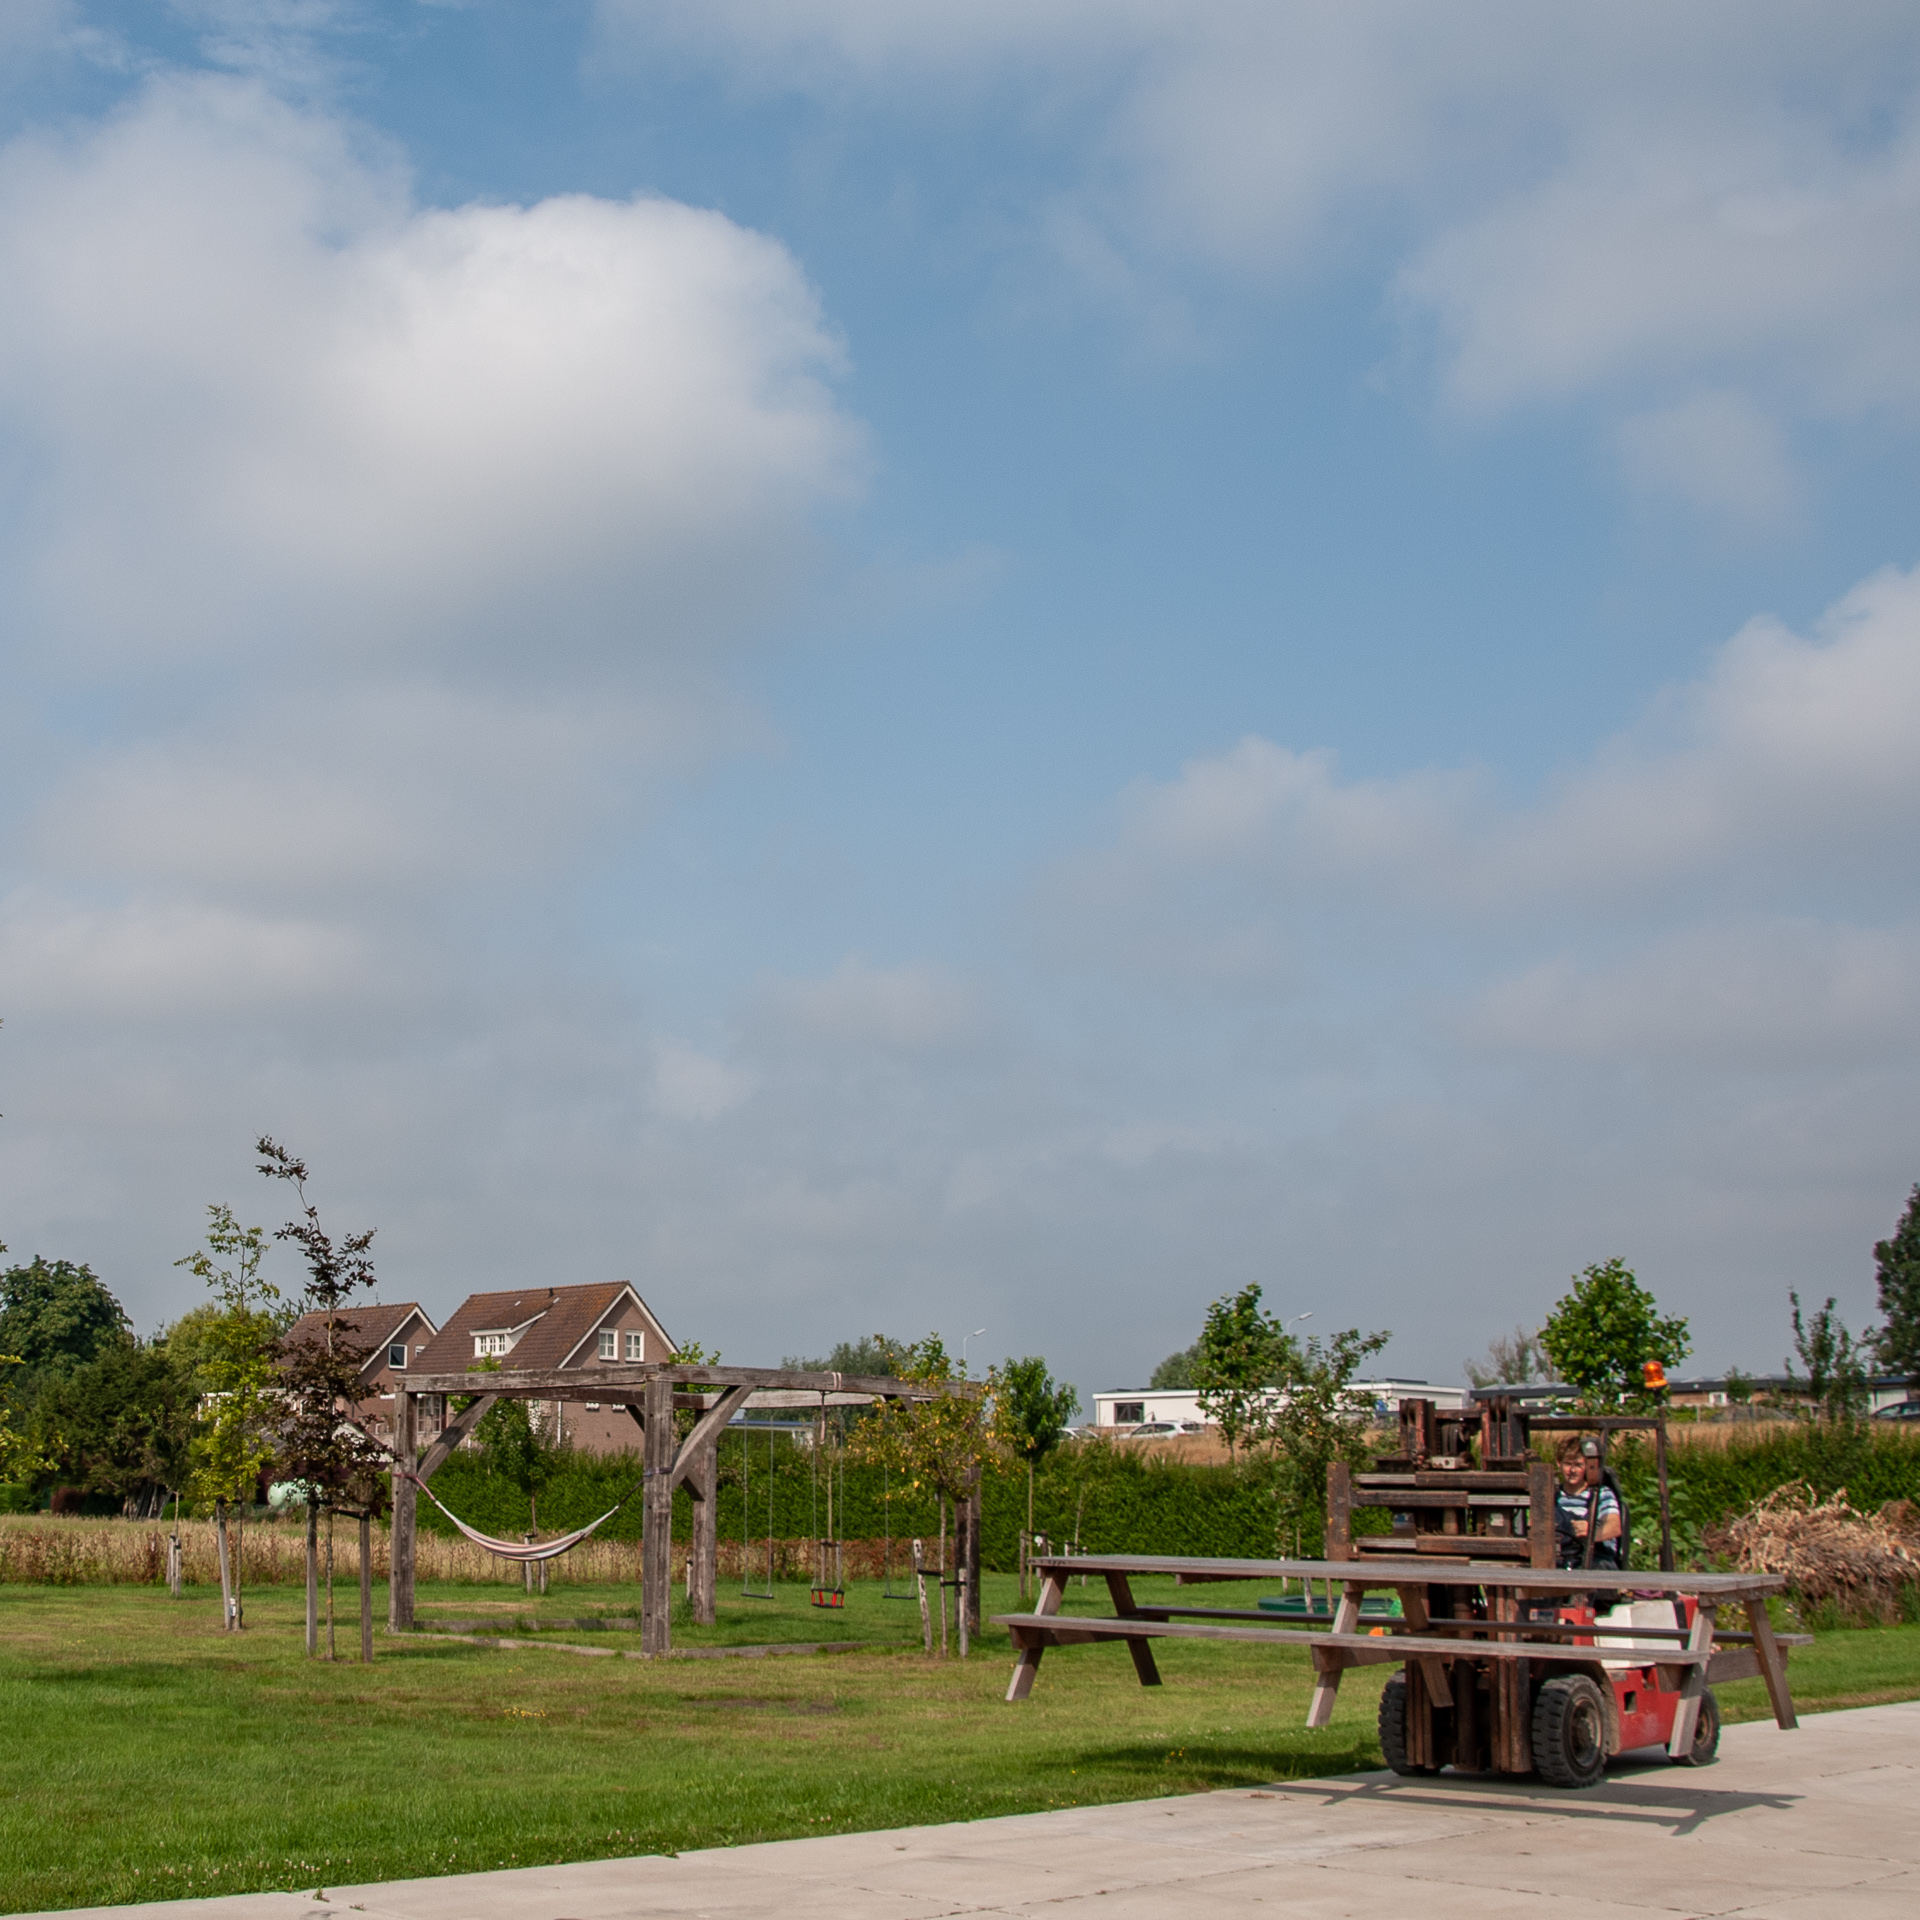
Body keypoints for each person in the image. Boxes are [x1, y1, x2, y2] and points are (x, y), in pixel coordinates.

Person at [1554, 1435, 1623, 1571]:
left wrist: (1591, 1533)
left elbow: (1614, 1526)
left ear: (1587, 1466)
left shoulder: (1602, 1494)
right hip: (1561, 1559)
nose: (1572, 1470)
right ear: (1559, 1463)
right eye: (1568, 1464)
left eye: (1578, 1465)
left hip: (1596, 1560)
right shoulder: (1552, 1497)